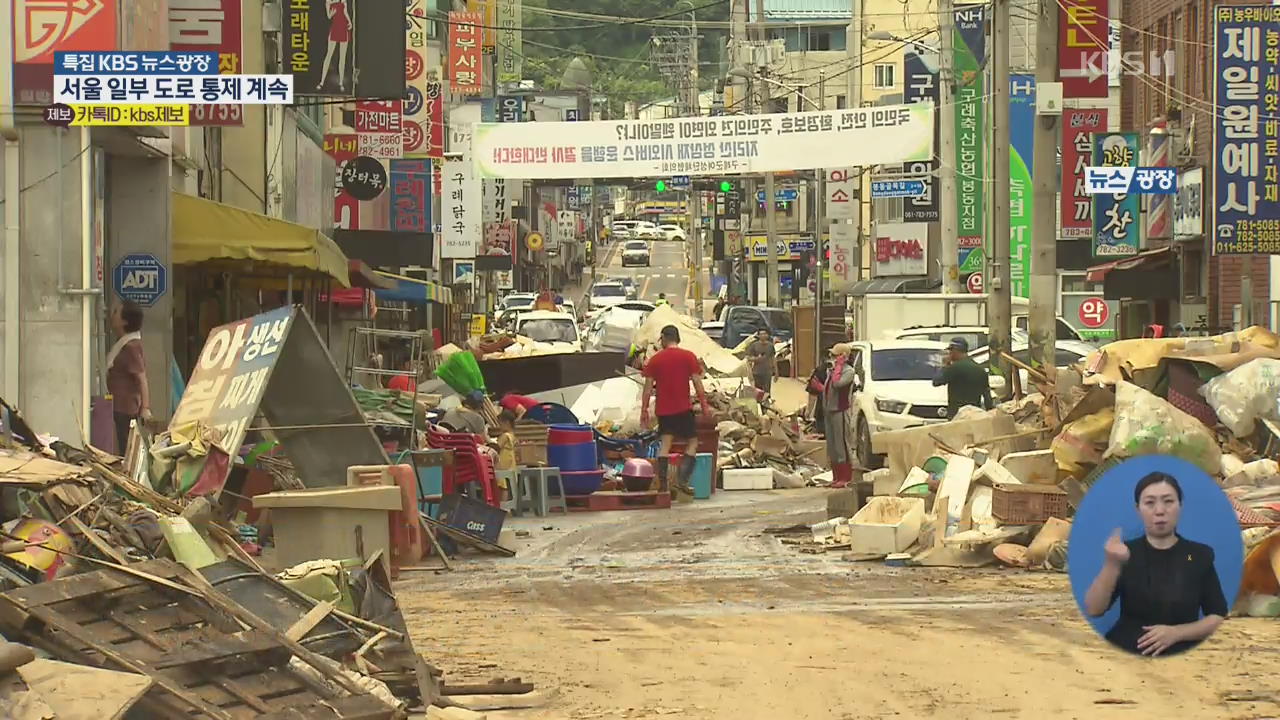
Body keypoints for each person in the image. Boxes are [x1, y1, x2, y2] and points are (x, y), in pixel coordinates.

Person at [1083, 472, 1228, 657]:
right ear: (1138, 509)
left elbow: (1217, 615)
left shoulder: (1199, 555)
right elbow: (1094, 610)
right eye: (1150, 503)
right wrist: (1111, 564)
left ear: (1180, 506)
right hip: (1124, 653)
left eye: (1168, 501)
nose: (1159, 511)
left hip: (1183, 655)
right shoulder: (1125, 553)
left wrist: (1177, 633)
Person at [640, 325, 710, 496]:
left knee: (665, 445)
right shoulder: (688, 356)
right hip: (683, 409)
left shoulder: (655, 360)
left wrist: (644, 410)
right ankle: (682, 480)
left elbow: (647, 388)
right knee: (692, 442)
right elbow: (697, 383)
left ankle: (663, 485)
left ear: (664, 338)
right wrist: (704, 404)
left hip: (664, 410)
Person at [107, 300, 152, 452]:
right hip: (119, 406)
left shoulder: (132, 347)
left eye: (116, 313)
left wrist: (145, 408)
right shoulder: (124, 343)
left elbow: (141, 378)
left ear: (124, 321)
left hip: (125, 408)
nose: (111, 315)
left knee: (126, 448)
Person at [816, 343, 858, 488]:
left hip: (840, 410)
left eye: (835, 356)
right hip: (829, 410)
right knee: (832, 446)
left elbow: (838, 384)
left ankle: (845, 477)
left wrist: (839, 367)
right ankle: (836, 476)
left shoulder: (848, 371)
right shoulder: (832, 370)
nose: (832, 358)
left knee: (841, 444)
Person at [931, 337, 992, 419]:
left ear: (955, 350)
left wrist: (944, 365)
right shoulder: (980, 369)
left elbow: (936, 381)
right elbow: (987, 396)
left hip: (957, 414)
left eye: (950, 351)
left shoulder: (954, 368)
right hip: (975, 415)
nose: (949, 353)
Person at [317, 0, 351, 91]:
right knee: (329, 55)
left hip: (344, 27)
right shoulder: (328, 1)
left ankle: (341, 82)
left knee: (342, 57)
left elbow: (345, 12)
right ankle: (322, 81)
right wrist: (332, 13)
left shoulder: (343, 0)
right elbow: (328, 16)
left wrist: (349, 21)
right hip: (335, 28)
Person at [746, 328, 776, 397]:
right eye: (761, 334)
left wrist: (776, 372)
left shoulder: (770, 346)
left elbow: (773, 358)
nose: (763, 335)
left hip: (767, 372)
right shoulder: (754, 345)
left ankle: (767, 403)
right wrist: (756, 358)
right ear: (758, 336)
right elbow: (748, 358)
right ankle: (759, 405)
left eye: (765, 334)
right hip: (757, 372)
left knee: (767, 391)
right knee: (758, 391)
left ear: (767, 335)